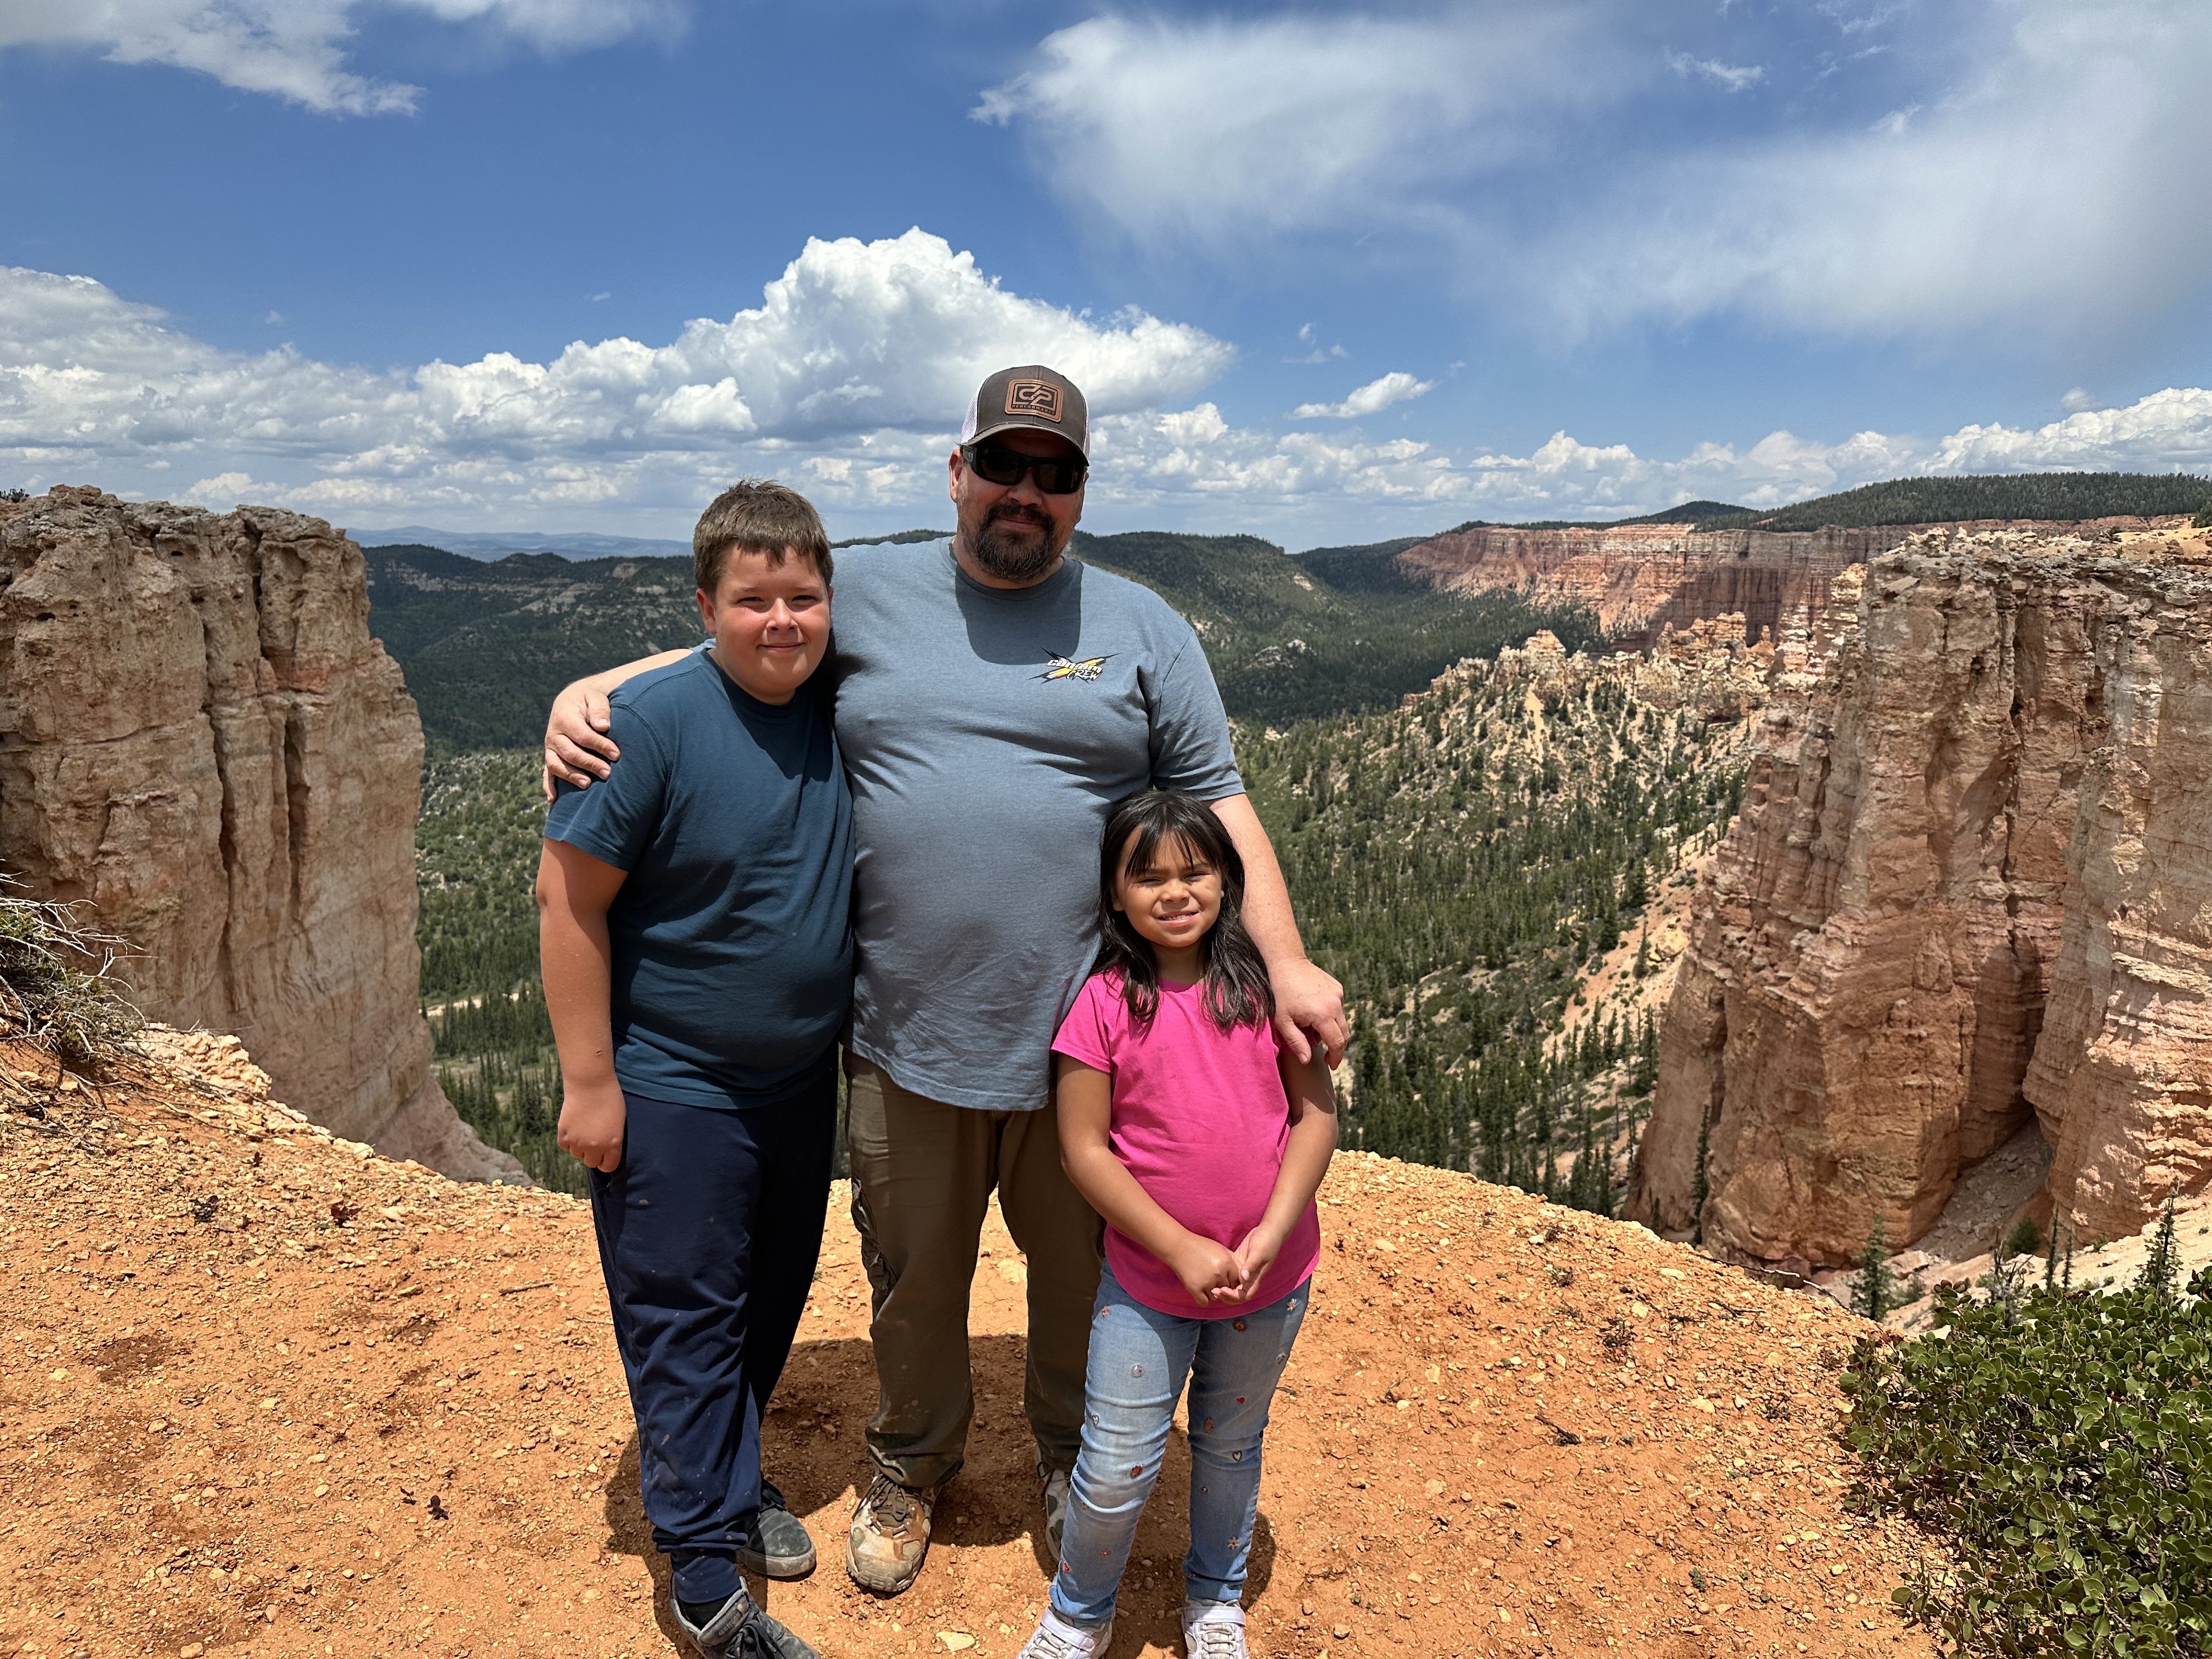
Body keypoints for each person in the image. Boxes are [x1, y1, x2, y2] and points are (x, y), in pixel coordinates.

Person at [542, 364, 1348, 1598]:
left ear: (1078, 493)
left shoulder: (1143, 629)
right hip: (905, 1034)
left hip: (1089, 1047)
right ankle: (912, 1459)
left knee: (1084, 1275)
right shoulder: (868, 589)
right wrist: (590, 690)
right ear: (958, 472)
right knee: (914, 1279)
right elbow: (754, 628)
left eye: (1056, 472)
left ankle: (1078, 1455)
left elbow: (1221, 803)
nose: (1026, 493)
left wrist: (1284, 963)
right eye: (1005, 465)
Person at [538, 480, 847, 1659]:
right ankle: (706, 1578)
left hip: (795, 1084)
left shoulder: (832, 695)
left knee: (766, 1300)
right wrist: (591, 1082)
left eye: (802, 597)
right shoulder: (650, 723)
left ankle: (734, 1475)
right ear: (706, 606)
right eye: (752, 600)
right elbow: (568, 906)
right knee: (684, 1318)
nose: (782, 619)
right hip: (673, 1087)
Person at [1014, 789, 1335, 1659]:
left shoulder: (1266, 994)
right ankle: (1079, 1612)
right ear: (1115, 894)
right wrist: (1180, 1247)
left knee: (1230, 1446)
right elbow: (1085, 1151)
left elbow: (1317, 1120)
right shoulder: (1102, 1005)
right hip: (1149, 1283)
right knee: (1117, 1463)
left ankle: (1216, 1601)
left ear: (1227, 883)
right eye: (1146, 875)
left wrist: (1269, 1234)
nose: (1174, 891)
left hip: (1272, 1277)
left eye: (1194, 870)